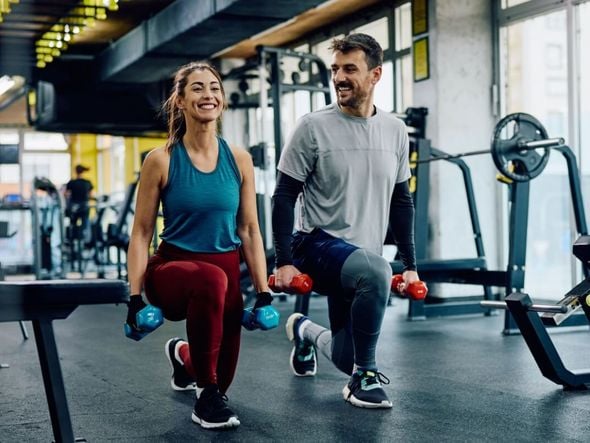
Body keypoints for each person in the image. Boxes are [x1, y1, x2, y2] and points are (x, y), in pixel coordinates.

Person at [271, 33, 420, 409]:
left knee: (342, 356)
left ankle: (303, 331)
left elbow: (402, 202)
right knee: (376, 272)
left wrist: (413, 267)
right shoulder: (312, 127)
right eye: (335, 69)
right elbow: (284, 195)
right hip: (317, 245)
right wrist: (283, 261)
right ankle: (364, 377)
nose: (339, 77)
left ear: (375, 75)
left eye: (349, 68)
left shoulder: (395, 130)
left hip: (360, 257)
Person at [126, 61, 271, 430]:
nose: (209, 94)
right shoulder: (160, 159)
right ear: (180, 100)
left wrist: (264, 291)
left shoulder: (239, 159)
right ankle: (203, 400)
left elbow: (250, 229)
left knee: (220, 373)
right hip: (173, 270)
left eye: (215, 87)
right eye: (198, 88)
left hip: (224, 275)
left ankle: (183, 356)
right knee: (212, 386)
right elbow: (142, 232)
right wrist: (134, 297)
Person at [65, 164, 94, 240]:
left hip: (74, 208)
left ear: (75, 172)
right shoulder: (87, 183)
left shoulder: (72, 183)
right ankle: (85, 241)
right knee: (85, 226)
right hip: (84, 208)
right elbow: (91, 195)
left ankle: (72, 241)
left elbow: (66, 194)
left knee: (73, 225)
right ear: (83, 172)